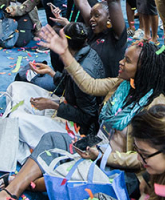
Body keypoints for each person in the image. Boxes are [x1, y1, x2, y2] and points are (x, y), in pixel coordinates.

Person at [0, 29, 165, 200]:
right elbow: (90, 84)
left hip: (118, 170)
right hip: (96, 146)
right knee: (51, 139)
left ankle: (20, 184)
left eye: (127, 61)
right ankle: (10, 194)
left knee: (65, 171)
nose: (121, 63)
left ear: (143, 69)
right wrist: (64, 54)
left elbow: (148, 159)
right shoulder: (123, 84)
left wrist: (104, 156)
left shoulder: (157, 108)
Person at [10, 23, 104, 164]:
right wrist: (50, 72)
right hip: (65, 103)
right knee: (15, 87)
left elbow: (88, 116)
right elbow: (69, 81)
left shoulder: (84, 67)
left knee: (16, 119)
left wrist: (54, 106)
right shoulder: (83, 51)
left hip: (77, 130)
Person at [52, 0, 128, 78]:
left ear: (110, 18)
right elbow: (81, 1)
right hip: (85, 84)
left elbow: (114, 2)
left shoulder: (116, 37)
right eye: (92, 15)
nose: (91, 19)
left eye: (97, 16)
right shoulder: (94, 30)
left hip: (104, 89)